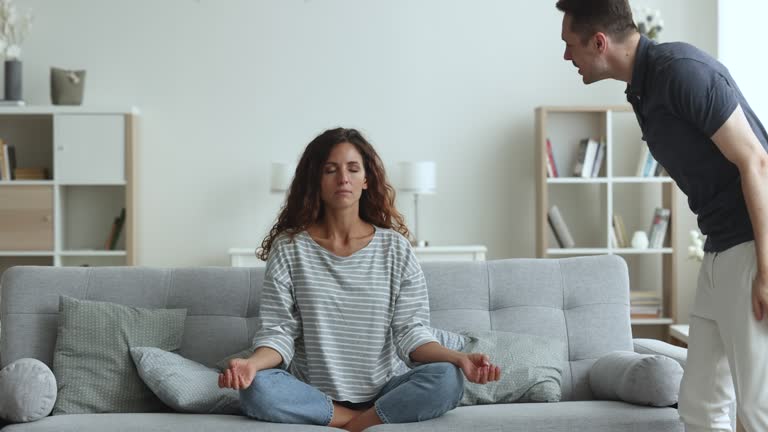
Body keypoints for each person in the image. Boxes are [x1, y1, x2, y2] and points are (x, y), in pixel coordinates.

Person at [555, 1, 768, 431]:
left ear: (599, 42)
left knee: (757, 409)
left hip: (750, 245)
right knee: (699, 408)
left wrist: (766, 269)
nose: (566, 57)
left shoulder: (680, 70)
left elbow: (756, 162)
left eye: (570, 45)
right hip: (719, 247)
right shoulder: (642, 89)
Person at [218, 127, 501, 432]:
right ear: (316, 179)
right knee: (257, 388)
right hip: (311, 392)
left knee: (447, 378)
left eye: (353, 169)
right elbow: (279, 333)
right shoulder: (289, 248)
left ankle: (353, 421)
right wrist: (252, 365)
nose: (343, 178)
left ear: (366, 180)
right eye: (331, 170)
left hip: (387, 389)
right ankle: (361, 422)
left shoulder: (395, 247)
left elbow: (411, 333)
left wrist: (459, 359)